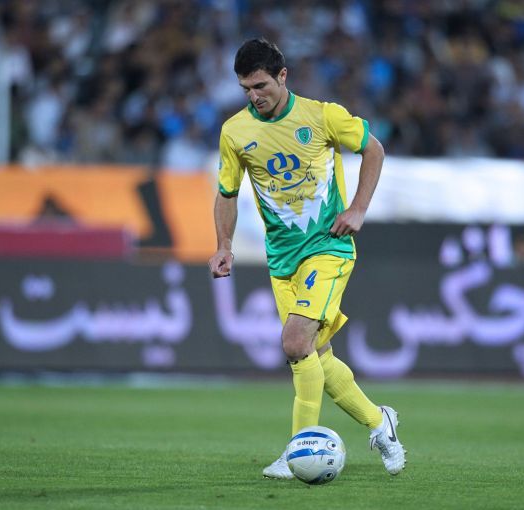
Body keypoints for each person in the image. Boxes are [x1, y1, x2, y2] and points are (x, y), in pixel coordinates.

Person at [208, 38, 406, 478]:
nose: (254, 96)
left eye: (260, 85)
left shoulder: (321, 116)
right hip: (282, 259)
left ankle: (298, 449)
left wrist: (358, 209)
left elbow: (373, 149)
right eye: (246, 89)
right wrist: (224, 245)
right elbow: (227, 192)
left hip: (328, 246)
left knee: (296, 342)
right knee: (317, 354)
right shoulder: (235, 132)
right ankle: (380, 422)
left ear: (282, 76)